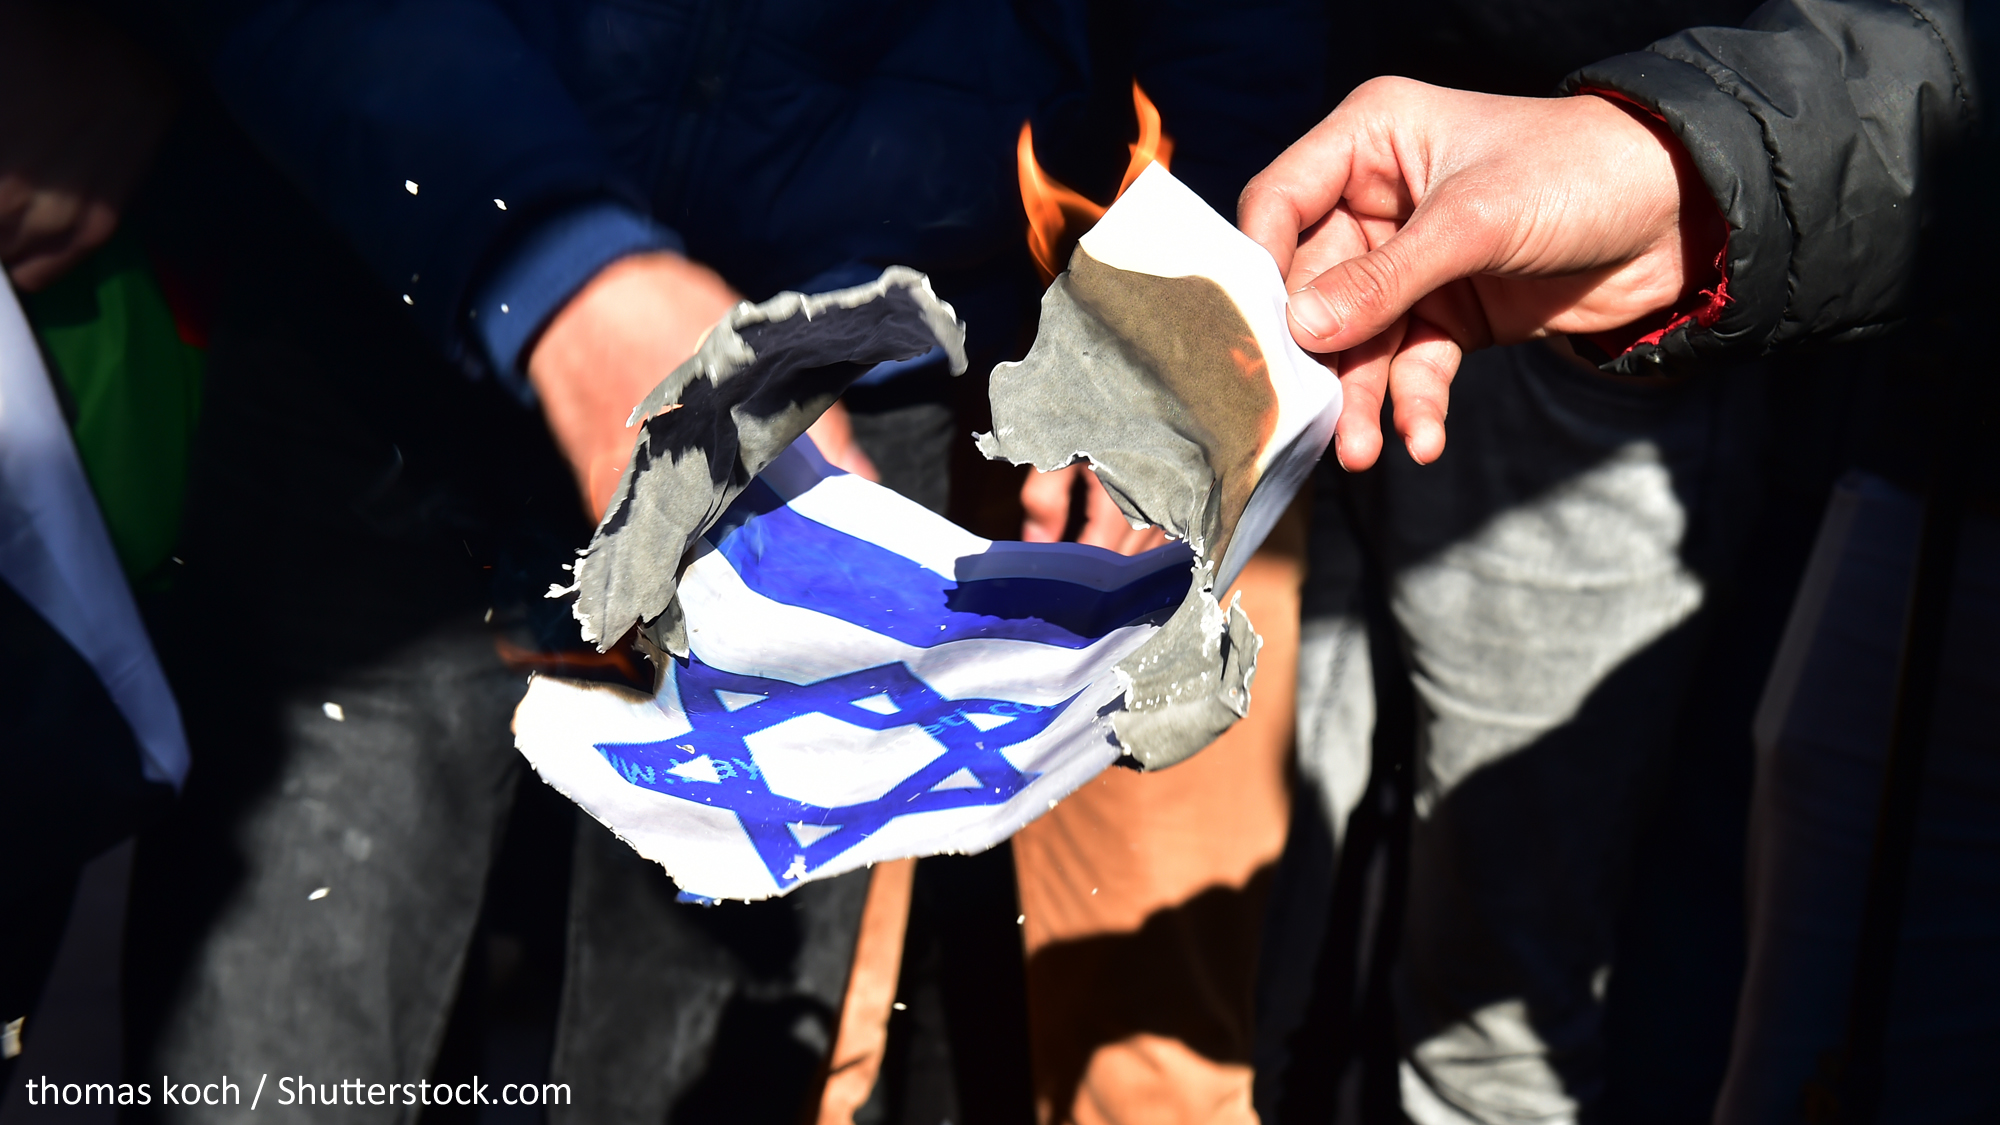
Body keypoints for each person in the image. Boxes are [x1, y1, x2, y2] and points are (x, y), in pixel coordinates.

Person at [118, 1, 1329, 1121]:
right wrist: (559, 267)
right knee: (262, 1050)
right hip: (387, 298)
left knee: (715, 1061)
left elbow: (1235, 31)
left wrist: (1184, 304)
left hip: (845, 411)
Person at [1237, 1, 1984, 1122]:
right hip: (1401, 205)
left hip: (1615, 309)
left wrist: (1662, 156)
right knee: (1316, 901)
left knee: (1503, 998)